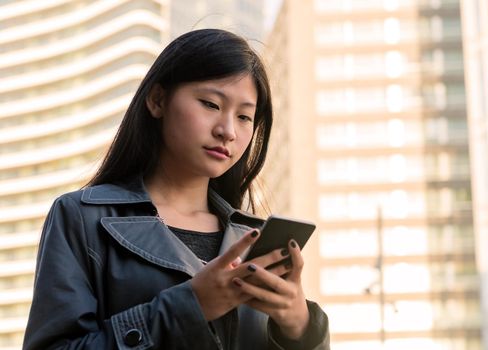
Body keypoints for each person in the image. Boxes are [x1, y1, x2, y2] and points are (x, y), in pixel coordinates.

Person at [23, 29, 330, 350]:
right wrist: (188, 307)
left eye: (244, 116)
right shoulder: (81, 218)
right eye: (211, 104)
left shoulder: (253, 238)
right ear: (158, 100)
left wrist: (301, 328)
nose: (227, 131)